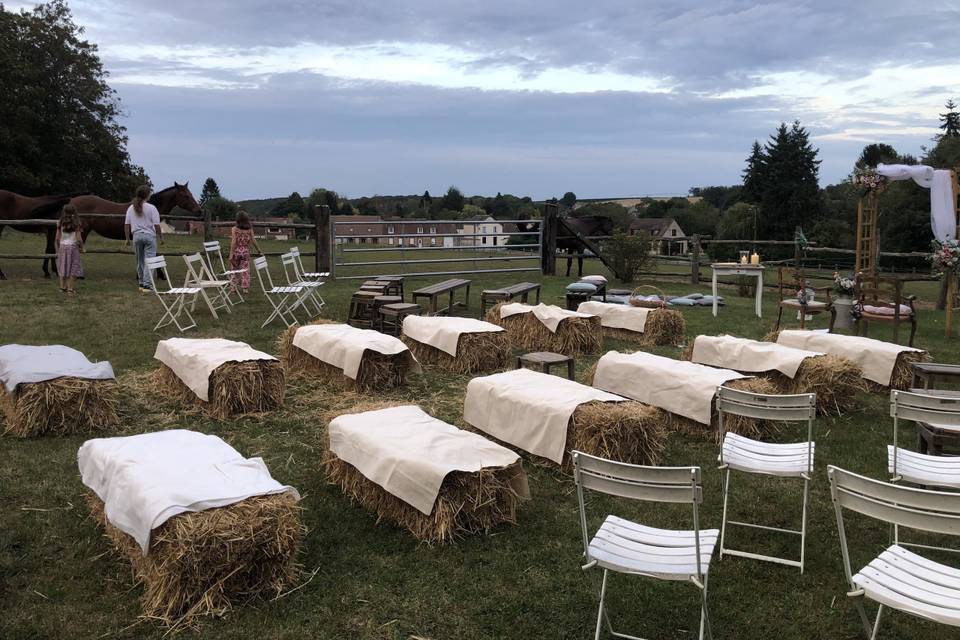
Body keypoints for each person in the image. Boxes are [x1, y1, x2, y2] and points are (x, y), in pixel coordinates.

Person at [123, 185, 162, 293]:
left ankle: (141, 283)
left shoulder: (131, 208)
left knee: (139, 261)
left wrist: (127, 239)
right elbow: (157, 225)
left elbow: (126, 224)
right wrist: (161, 237)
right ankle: (147, 285)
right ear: (147, 195)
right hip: (149, 236)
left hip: (136, 236)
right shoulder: (152, 208)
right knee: (150, 261)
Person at [228, 210, 261, 292]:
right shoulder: (249, 229)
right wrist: (259, 250)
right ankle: (245, 288)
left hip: (237, 251)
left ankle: (233, 287)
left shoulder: (234, 229)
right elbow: (253, 240)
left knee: (234, 270)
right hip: (245, 251)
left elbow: (234, 242)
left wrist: (231, 254)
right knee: (245, 270)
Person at [55, 204, 84, 295]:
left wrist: (59, 246)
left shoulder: (60, 222)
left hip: (63, 247)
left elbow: (57, 238)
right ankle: (70, 288)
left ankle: (62, 287)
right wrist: (82, 248)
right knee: (74, 267)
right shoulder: (77, 223)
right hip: (73, 247)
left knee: (62, 266)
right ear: (74, 212)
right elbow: (79, 238)